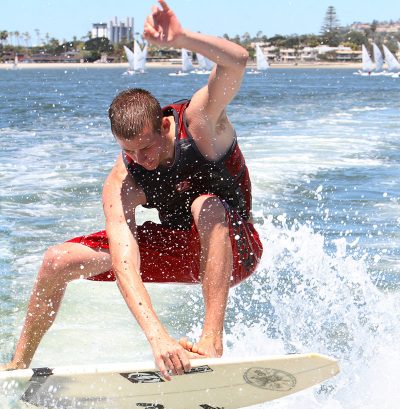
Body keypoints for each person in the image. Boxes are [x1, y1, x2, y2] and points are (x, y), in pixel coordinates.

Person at [2, 0, 263, 381]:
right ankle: (18, 364)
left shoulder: (201, 123)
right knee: (56, 260)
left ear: (163, 125)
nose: (139, 159)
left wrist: (182, 38)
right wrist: (157, 337)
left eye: (146, 147)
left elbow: (237, 61)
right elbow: (126, 265)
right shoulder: (122, 181)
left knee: (207, 206)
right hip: (178, 251)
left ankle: (211, 341)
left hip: (236, 250)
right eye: (128, 151)